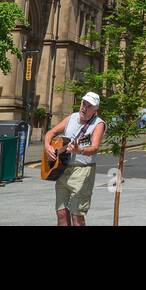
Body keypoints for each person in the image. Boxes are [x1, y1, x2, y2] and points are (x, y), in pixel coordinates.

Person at [45, 91, 106, 226]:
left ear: (95, 109)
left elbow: (94, 147)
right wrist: (47, 146)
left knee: (77, 217)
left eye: (89, 106)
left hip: (82, 172)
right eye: (84, 103)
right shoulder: (72, 117)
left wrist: (79, 150)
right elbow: (51, 132)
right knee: (61, 213)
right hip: (63, 170)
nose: (84, 108)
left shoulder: (98, 124)